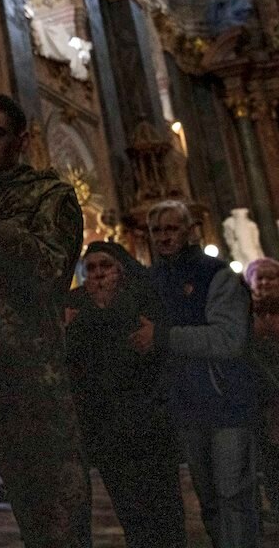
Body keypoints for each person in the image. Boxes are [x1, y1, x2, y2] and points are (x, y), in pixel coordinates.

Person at [0, 93, 89, 547]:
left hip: (29, 388)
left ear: (21, 141)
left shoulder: (48, 197)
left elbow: (49, 270)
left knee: (54, 527)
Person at [134, 199, 258, 547]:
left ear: (189, 231)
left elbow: (228, 338)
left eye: (172, 228)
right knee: (209, 499)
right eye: (157, 230)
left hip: (225, 400)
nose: (164, 237)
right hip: (186, 404)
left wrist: (164, 337)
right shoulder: (151, 279)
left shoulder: (214, 274)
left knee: (233, 494)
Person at [67, 242, 186, 547]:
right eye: (90, 268)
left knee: (166, 512)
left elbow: (155, 350)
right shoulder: (75, 304)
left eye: (104, 266)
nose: (98, 275)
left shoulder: (142, 299)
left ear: (119, 270)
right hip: (107, 429)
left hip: (150, 423)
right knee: (131, 513)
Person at [247, 257, 279, 521]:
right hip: (261, 400)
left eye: (272, 277)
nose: (266, 282)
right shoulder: (245, 316)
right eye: (260, 277)